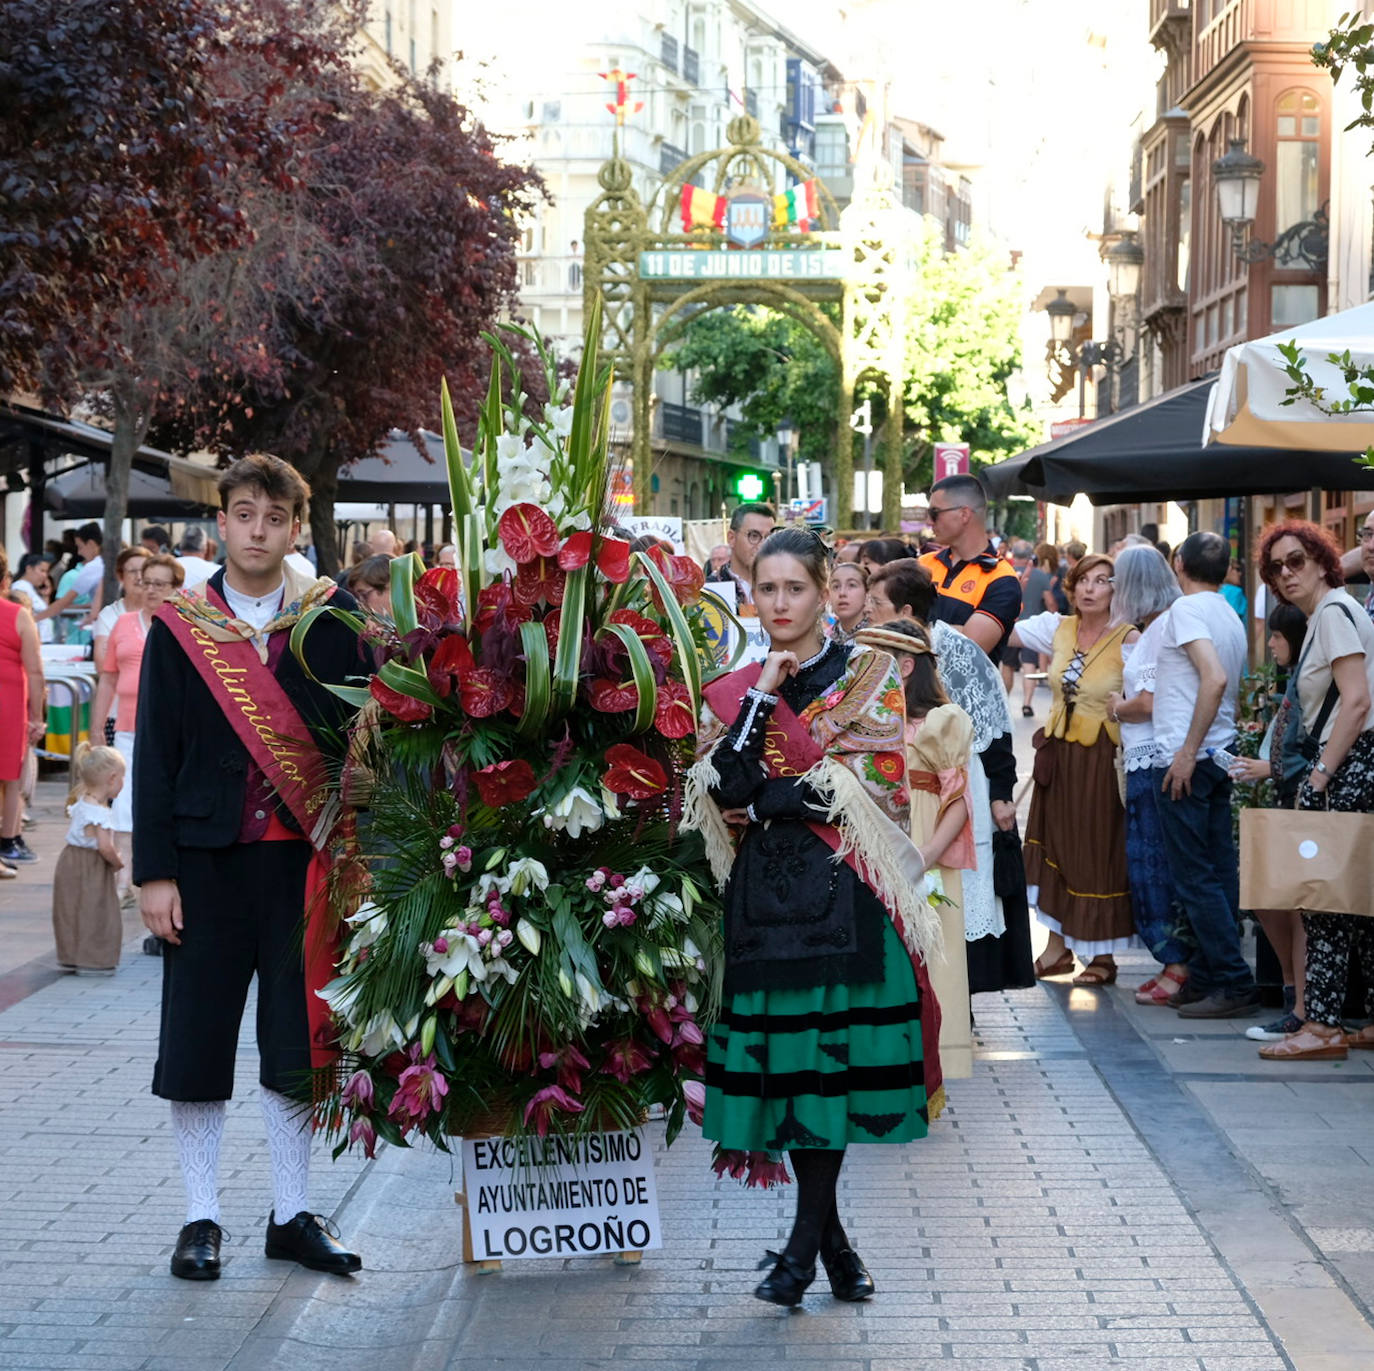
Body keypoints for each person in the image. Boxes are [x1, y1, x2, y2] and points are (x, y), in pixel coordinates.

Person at [687, 527, 938, 1308]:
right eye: (767, 590)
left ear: (828, 589)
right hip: (763, 904)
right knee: (796, 1077)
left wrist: (773, 795)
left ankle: (798, 1254)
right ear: (751, 593)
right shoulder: (738, 686)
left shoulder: (869, 673)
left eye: (796, 588)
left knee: (825, 1075)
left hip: (846, 900)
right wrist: (763, 689)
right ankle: (833, 1248)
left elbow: (878, 781)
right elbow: (723, 781)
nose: (781, 603)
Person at [134, 453, 365, 1282]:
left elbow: (362, 746)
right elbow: (153, 753)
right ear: (221, 523)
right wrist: (152, 873)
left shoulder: (334, 620)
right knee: (196, 1041)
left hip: (305, 864)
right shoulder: (179, 624)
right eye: (243, 514)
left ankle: (290, 1213)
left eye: (274, 517)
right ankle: (201, 1217)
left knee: (294, 1043)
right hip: (202, 864)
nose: (257, 530)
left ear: (296, 527)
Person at [866, 559, 1034, 994]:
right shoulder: (871, 648)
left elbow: (994, 722)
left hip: (958, 782)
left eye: (875, 602)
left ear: (905, 612)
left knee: (954, 886)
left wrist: (1001, 793)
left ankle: (956, 992)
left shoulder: (954, 648)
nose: (867, 609)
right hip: (900, 783)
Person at [1252, 521, 1374, 1060]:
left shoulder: (1333, 613)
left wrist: (1322, 773)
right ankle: (1365, 1018)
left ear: (1324, 561)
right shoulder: (1336, 611)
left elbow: (1356, 701)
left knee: (1322, 900)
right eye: (1276, 568)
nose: (1286, 573)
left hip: (1350, 764)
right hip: (1356, 763)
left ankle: (1322, 1027)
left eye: (1296, 560)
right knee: (1357, 902)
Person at [1011, 553, 1137, 984]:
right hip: (1059, 756)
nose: (1089, 588)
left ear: (1116, 590)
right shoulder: (1059, 628)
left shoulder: (1131, 638)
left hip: (1102, 758)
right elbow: (998, 632)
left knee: (1097, 849)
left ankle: (1101, 955)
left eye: (1101, 581)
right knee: (1055, 846)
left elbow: (1149, 700)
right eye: (1083, 579)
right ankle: (1057, 949)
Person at [1149, 530, 1253, 1017]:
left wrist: (1186, 751)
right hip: (1217, 753)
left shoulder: (1188, 610)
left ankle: (1231, 979)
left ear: (1178, 562)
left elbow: (1215, 677)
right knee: (1216, 870)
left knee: (1196, 876)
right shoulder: (1228, 612)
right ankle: (1214, 973)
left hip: (1190, 759)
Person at [1104, 546, 1195, 1006]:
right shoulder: (1159, 626)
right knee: (1148, 864)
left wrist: (1117, 706)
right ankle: (1171, 963)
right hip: (1146, 756)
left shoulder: (1161, 628)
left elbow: (1151, 700)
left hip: (1152, 757)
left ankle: (1177, 965)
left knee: (1154, 866)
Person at [1226, 603, 1310, 1042]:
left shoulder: (1313, 677)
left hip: (1300, 801)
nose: (1271, 643)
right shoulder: (1294, 676)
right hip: (1282, 799)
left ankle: (1300, 1004)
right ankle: (1294, 995)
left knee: (1295, 903)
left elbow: (1315, 745)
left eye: (1277, 636)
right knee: (1267, 896)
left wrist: (1271, 769)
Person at [94, 553, 183, 895]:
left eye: (160, 584)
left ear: (177, 588)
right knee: (124, 802)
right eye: (146, 583)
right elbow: (108, 678)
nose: (151, 590)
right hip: (128, 728)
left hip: (171, 733)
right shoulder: (123, 623)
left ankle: (162, 875)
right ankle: (124, 881)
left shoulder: (183, 627)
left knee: (160, 803)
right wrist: (98, 726)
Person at [918, 474, 1022, 658]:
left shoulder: (1002, 579)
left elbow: (968, 649)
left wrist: (912, 627)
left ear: (964, 514)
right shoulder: (923, 564)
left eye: (934, 513)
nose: (928, 521)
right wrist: (957, 630)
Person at [52, 743, 126, 975]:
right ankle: (94, 959)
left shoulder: (82, 801)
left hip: (69, 861)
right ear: (112, 778)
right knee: (96, 910)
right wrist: (117, 862)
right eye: (123, 778)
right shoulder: (100, 813)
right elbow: (105, 846)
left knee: (70, 909)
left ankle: (70, 955)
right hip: (91, 865)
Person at [0, 547, 46, 873]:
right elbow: (35, 671)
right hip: (9, 705)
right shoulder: (17, 615)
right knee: (11, 776)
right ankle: (8, 840)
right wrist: (37, 717)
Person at [706, 502, 775, 609]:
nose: (763, 545)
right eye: (754, 536)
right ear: (732, 538)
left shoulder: (782, 585)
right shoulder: (711, 589)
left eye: (769, 537)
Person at [92, 548, 149, 672]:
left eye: (144, 571)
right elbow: (102, 664)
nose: (139, 577)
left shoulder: (164, 613)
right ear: (120, 576)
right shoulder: (109, 615)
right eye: (132, 571)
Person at [48, 522, 105, 639]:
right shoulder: (70, 576)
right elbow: (62, 605)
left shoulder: (99, 570)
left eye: (80, 547)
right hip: (78, 634)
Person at [11, 554, 57, 644]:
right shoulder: (20, 588)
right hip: (36, 641)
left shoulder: (30, 588)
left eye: (47, 572)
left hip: (43, 639)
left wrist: (45, 596)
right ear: (29, 569)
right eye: (42, 571)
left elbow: (44, 612)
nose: (45, 575)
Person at [827, 559, 870, 644]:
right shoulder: (822, 640)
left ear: (867, 593)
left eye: (852, 585)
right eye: (836, 586)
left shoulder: (875, 637)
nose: (842, 593)